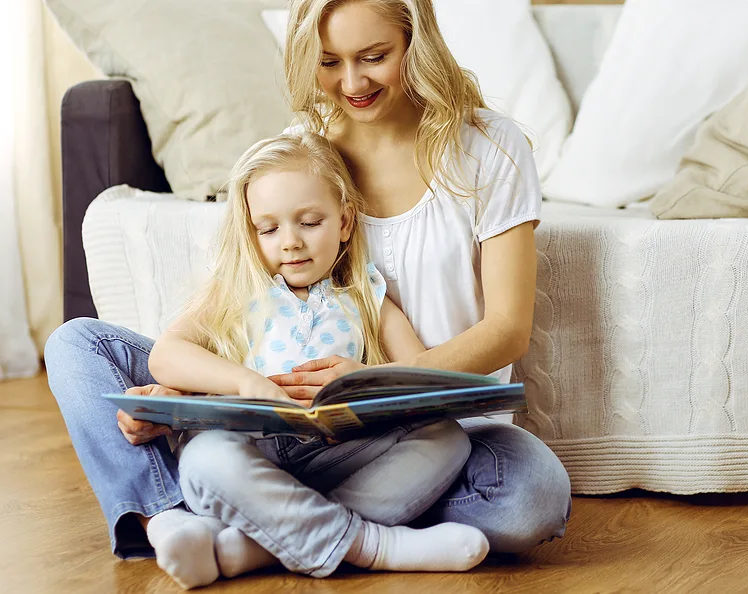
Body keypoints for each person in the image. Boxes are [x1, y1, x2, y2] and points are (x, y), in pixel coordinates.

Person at [44, 0, 569, 585]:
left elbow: (507, 329)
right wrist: (194, 392)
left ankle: (256, 533)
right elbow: (233, 298)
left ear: (415, 42)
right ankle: (169, 519)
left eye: (375, 57)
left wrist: (383, 385)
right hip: (273, 405)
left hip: (411, 424)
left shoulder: (488, 148)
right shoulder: (302, 151)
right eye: (328, 62)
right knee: (78, 346)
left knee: (532, 498)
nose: (351, 83)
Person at [142, 132, 489, 588]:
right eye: (268, 229)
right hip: (255, 450)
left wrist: (367, 379)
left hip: (340, 451)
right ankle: (376, 546)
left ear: (345, 222)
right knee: (204, 458)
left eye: (309, 222)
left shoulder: (367, 293)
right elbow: (165, 355)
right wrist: (246, 383)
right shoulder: (239, 291)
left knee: (447, 438)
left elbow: (420, 374)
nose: (290, 242)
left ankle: (254, 546)